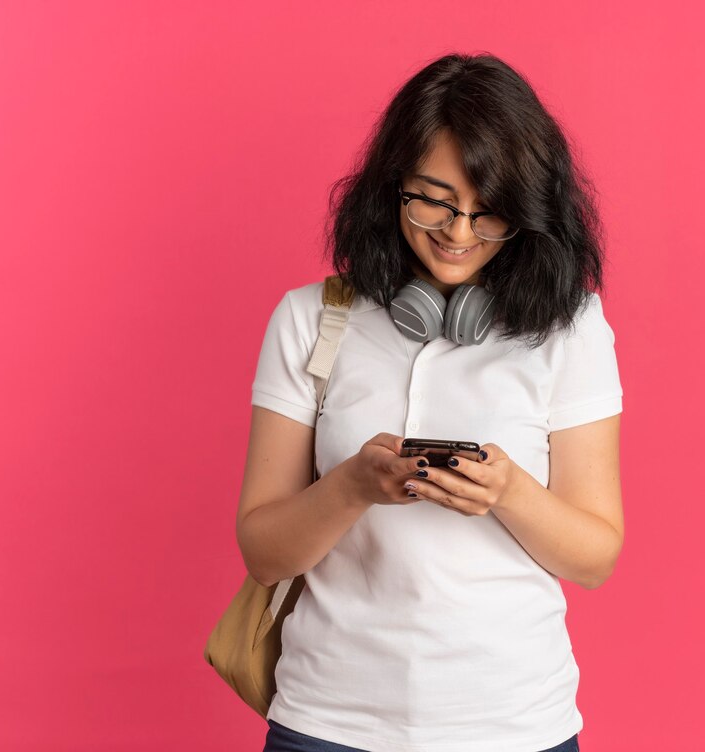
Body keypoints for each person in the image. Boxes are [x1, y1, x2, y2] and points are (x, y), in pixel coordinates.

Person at [237, 53, 624, 752]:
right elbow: (263, 554)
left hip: (516, 725)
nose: (459, 233)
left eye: (490, 211)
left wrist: (509, 492)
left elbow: (595, 557)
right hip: (328, 722)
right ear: (392, 186)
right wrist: (352, 487)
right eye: (435, 201)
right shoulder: (311, 319)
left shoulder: (572, 328)